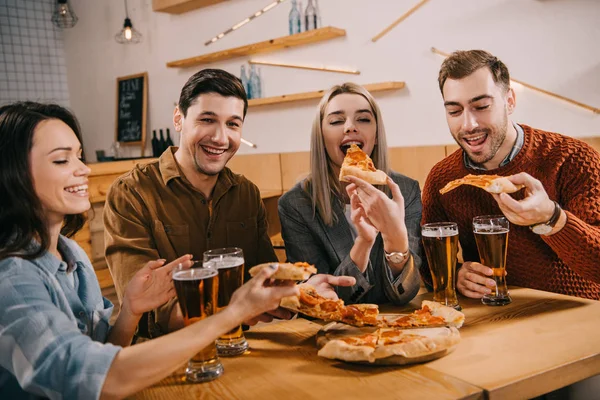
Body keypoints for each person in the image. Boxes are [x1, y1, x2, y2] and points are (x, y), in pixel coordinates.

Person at [0, 101, 301, 399]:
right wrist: (232, 312)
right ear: (13, 173)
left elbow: (106, 353)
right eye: (61, 160)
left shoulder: (71, 255)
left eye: (79, 156)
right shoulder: (11, 277)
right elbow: (96, 380)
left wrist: (130, 310)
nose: (84, 169)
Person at [104, 69, 354, 338]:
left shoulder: (246, 193)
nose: (221, 138)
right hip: (164, 359)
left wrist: (302, 291)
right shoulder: (130, 193)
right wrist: (238, 309)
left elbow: (267, 281)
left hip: (241, 348)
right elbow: (148, 311)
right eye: (207, 120)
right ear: (179, 118)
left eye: (233, 124)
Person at [421, 49, 600, 300]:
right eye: (454, 111)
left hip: (578, 319)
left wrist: (552, 218)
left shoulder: (573, 158)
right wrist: (457, 275)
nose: (468, 124)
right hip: (496, 322)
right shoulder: (443, 180)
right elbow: (428, 266)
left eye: (481, 106)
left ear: (510, 101)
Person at [278, 83, 423, 305]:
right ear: (321, 138)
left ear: (375, 136)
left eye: (363, 119)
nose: (350, 127)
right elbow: (322, 298)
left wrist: (394, 238)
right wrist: (363, 243)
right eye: (336, 121)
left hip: (399, 326)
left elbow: (407, 291)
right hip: (336, 331)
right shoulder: (295, 205)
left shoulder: (406, 191)